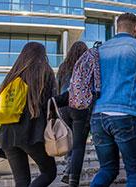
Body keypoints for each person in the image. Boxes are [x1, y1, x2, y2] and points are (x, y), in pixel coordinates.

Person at [0, 42, 67, 187]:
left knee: (22, 182)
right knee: (49, 173)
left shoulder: (13, 75)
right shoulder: (43, 72)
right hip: (31, 133)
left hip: (7, 136)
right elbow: (51, 102)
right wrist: (69, 97)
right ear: (42, 55)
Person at [90, 13, 136, 187]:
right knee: (134, 172)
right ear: (135, 28)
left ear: (117, 28)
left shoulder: (100, 49)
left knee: (107, 169)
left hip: (98, 116)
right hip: (126, 115)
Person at [57, 41, 89, 186]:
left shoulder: (63, 67)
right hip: (79, 105)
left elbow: (57, 88)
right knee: (78, 144)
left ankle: (67, 169)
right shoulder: (86, 64)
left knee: (69, 142)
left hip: (63, 106)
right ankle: (72, 176)